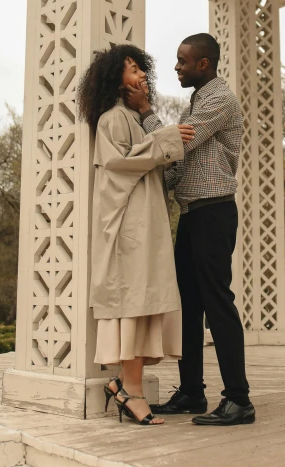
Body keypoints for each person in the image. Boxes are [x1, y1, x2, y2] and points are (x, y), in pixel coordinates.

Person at [125, 33, 255, 426]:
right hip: (193, 215)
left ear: (204, 64)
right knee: (188, 308)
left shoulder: (218, 100)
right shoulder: (196, 102)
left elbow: (177, 147)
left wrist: (146, 110)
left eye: (183, 61)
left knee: (218, 306)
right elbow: (177, 169)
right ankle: (192, 392)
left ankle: (239, 399)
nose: (177, 67)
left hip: (214, 214)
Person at [78, 44, 195, 426]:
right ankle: (131, 391)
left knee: (145, 305)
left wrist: (159, 134)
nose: (141, 75)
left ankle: (125, 387)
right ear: (116, 80)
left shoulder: (131, 117)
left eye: (141, 69)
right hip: (131, 227)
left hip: (146, 225)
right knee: (133, 305)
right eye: (131, 70)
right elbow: (119, 165)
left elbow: (152, 157)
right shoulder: (113, 119)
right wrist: (165, 139)